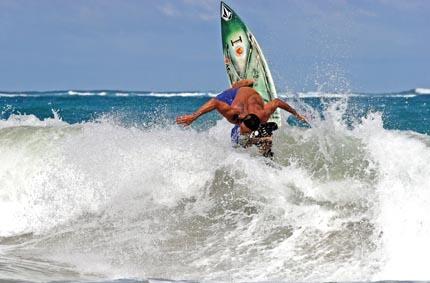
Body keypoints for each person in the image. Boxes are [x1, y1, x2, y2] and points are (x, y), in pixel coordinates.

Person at [176, 79, 308, 156]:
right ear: (243, 119)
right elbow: (215, 103)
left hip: (253, 97)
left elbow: (278, 102)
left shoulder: (263, 115)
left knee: (264, 141)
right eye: (242, 127)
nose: (241, 128)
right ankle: (242, 83)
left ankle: (247, 84)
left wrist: (297, 114)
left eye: (245, 130)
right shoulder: (233, 112)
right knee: (233, 90)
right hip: (234, 95)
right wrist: (193, 117)